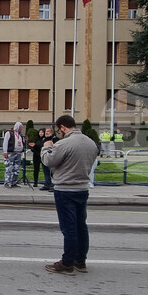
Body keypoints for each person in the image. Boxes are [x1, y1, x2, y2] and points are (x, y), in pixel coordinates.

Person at [41, 115, 98, 276]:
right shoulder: (90, 142)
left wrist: (46, 146)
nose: (59, 133)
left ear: (63, 127)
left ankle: (67, 263)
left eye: (59, 130)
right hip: (82, 188)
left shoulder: (64, 143)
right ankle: (80, 261)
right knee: (81, 226)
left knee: (69, 228)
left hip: (65, 190)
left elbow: (48, 161)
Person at [1, 121, 25, 188]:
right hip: (11, 153)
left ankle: (14, 182)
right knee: (9, 168)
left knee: (16, 168)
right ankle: (7, 182)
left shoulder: (20, 135)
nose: (21, 129)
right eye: (20, 127)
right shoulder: (9, 133)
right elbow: (5, 143)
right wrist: (5, 152)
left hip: (18, 153)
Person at [41, 126, 58, 192]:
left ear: (52, 132)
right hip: (44, 157)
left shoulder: (54, 138)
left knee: (52, 172)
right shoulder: (43, 139)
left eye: (48, 131)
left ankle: (53, 185)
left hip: (51, 157)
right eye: (46, 131)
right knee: (46, 172)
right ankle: (47, 184)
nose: (46, 133)